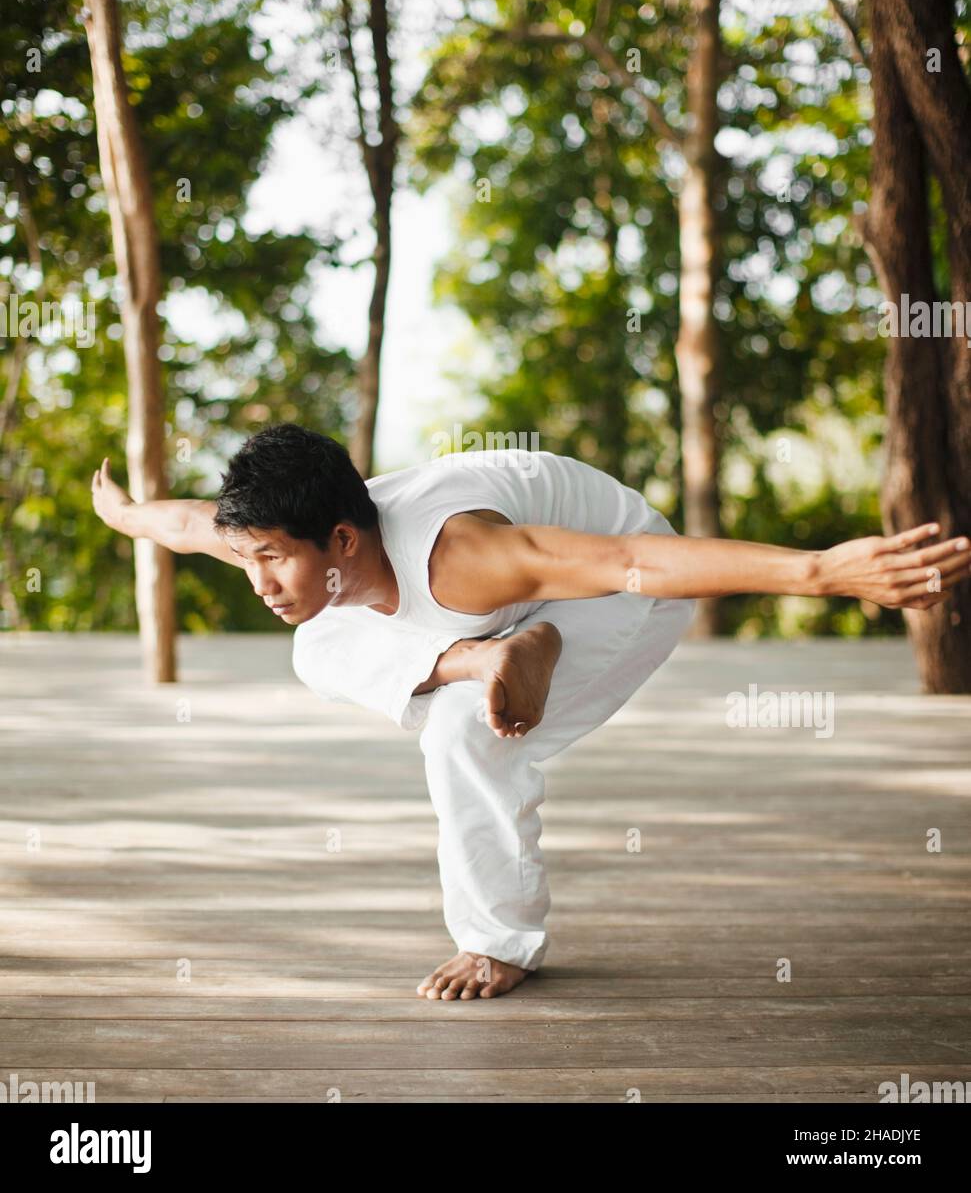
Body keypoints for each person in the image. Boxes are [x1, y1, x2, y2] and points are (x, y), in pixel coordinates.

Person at [91, 423, 970, 1001]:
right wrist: (127, 513)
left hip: (614, 589)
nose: (258, 582)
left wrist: (822, 571)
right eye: (248, 560)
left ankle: (499, 942)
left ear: (343, 543)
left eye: (272, 563)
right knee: (313, 647)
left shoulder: (468, 557)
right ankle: (483, 653)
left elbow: (635, 559)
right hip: (495, 618)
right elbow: (186, 525)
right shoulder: (289, 535)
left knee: (463, 729)